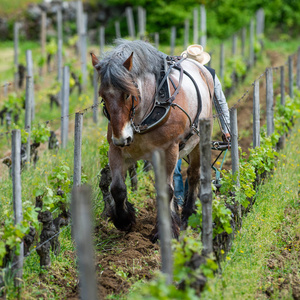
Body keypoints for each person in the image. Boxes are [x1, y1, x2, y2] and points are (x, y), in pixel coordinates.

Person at [174, 45, 230, 206]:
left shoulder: (208, 75)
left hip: (192, 127)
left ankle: (184, 198)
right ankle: (178, 199)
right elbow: (221, 103)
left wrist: (226, 130)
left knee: (189, 167)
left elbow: (220, 102)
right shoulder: (178, 74)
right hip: (184, 126)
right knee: (176, 167)